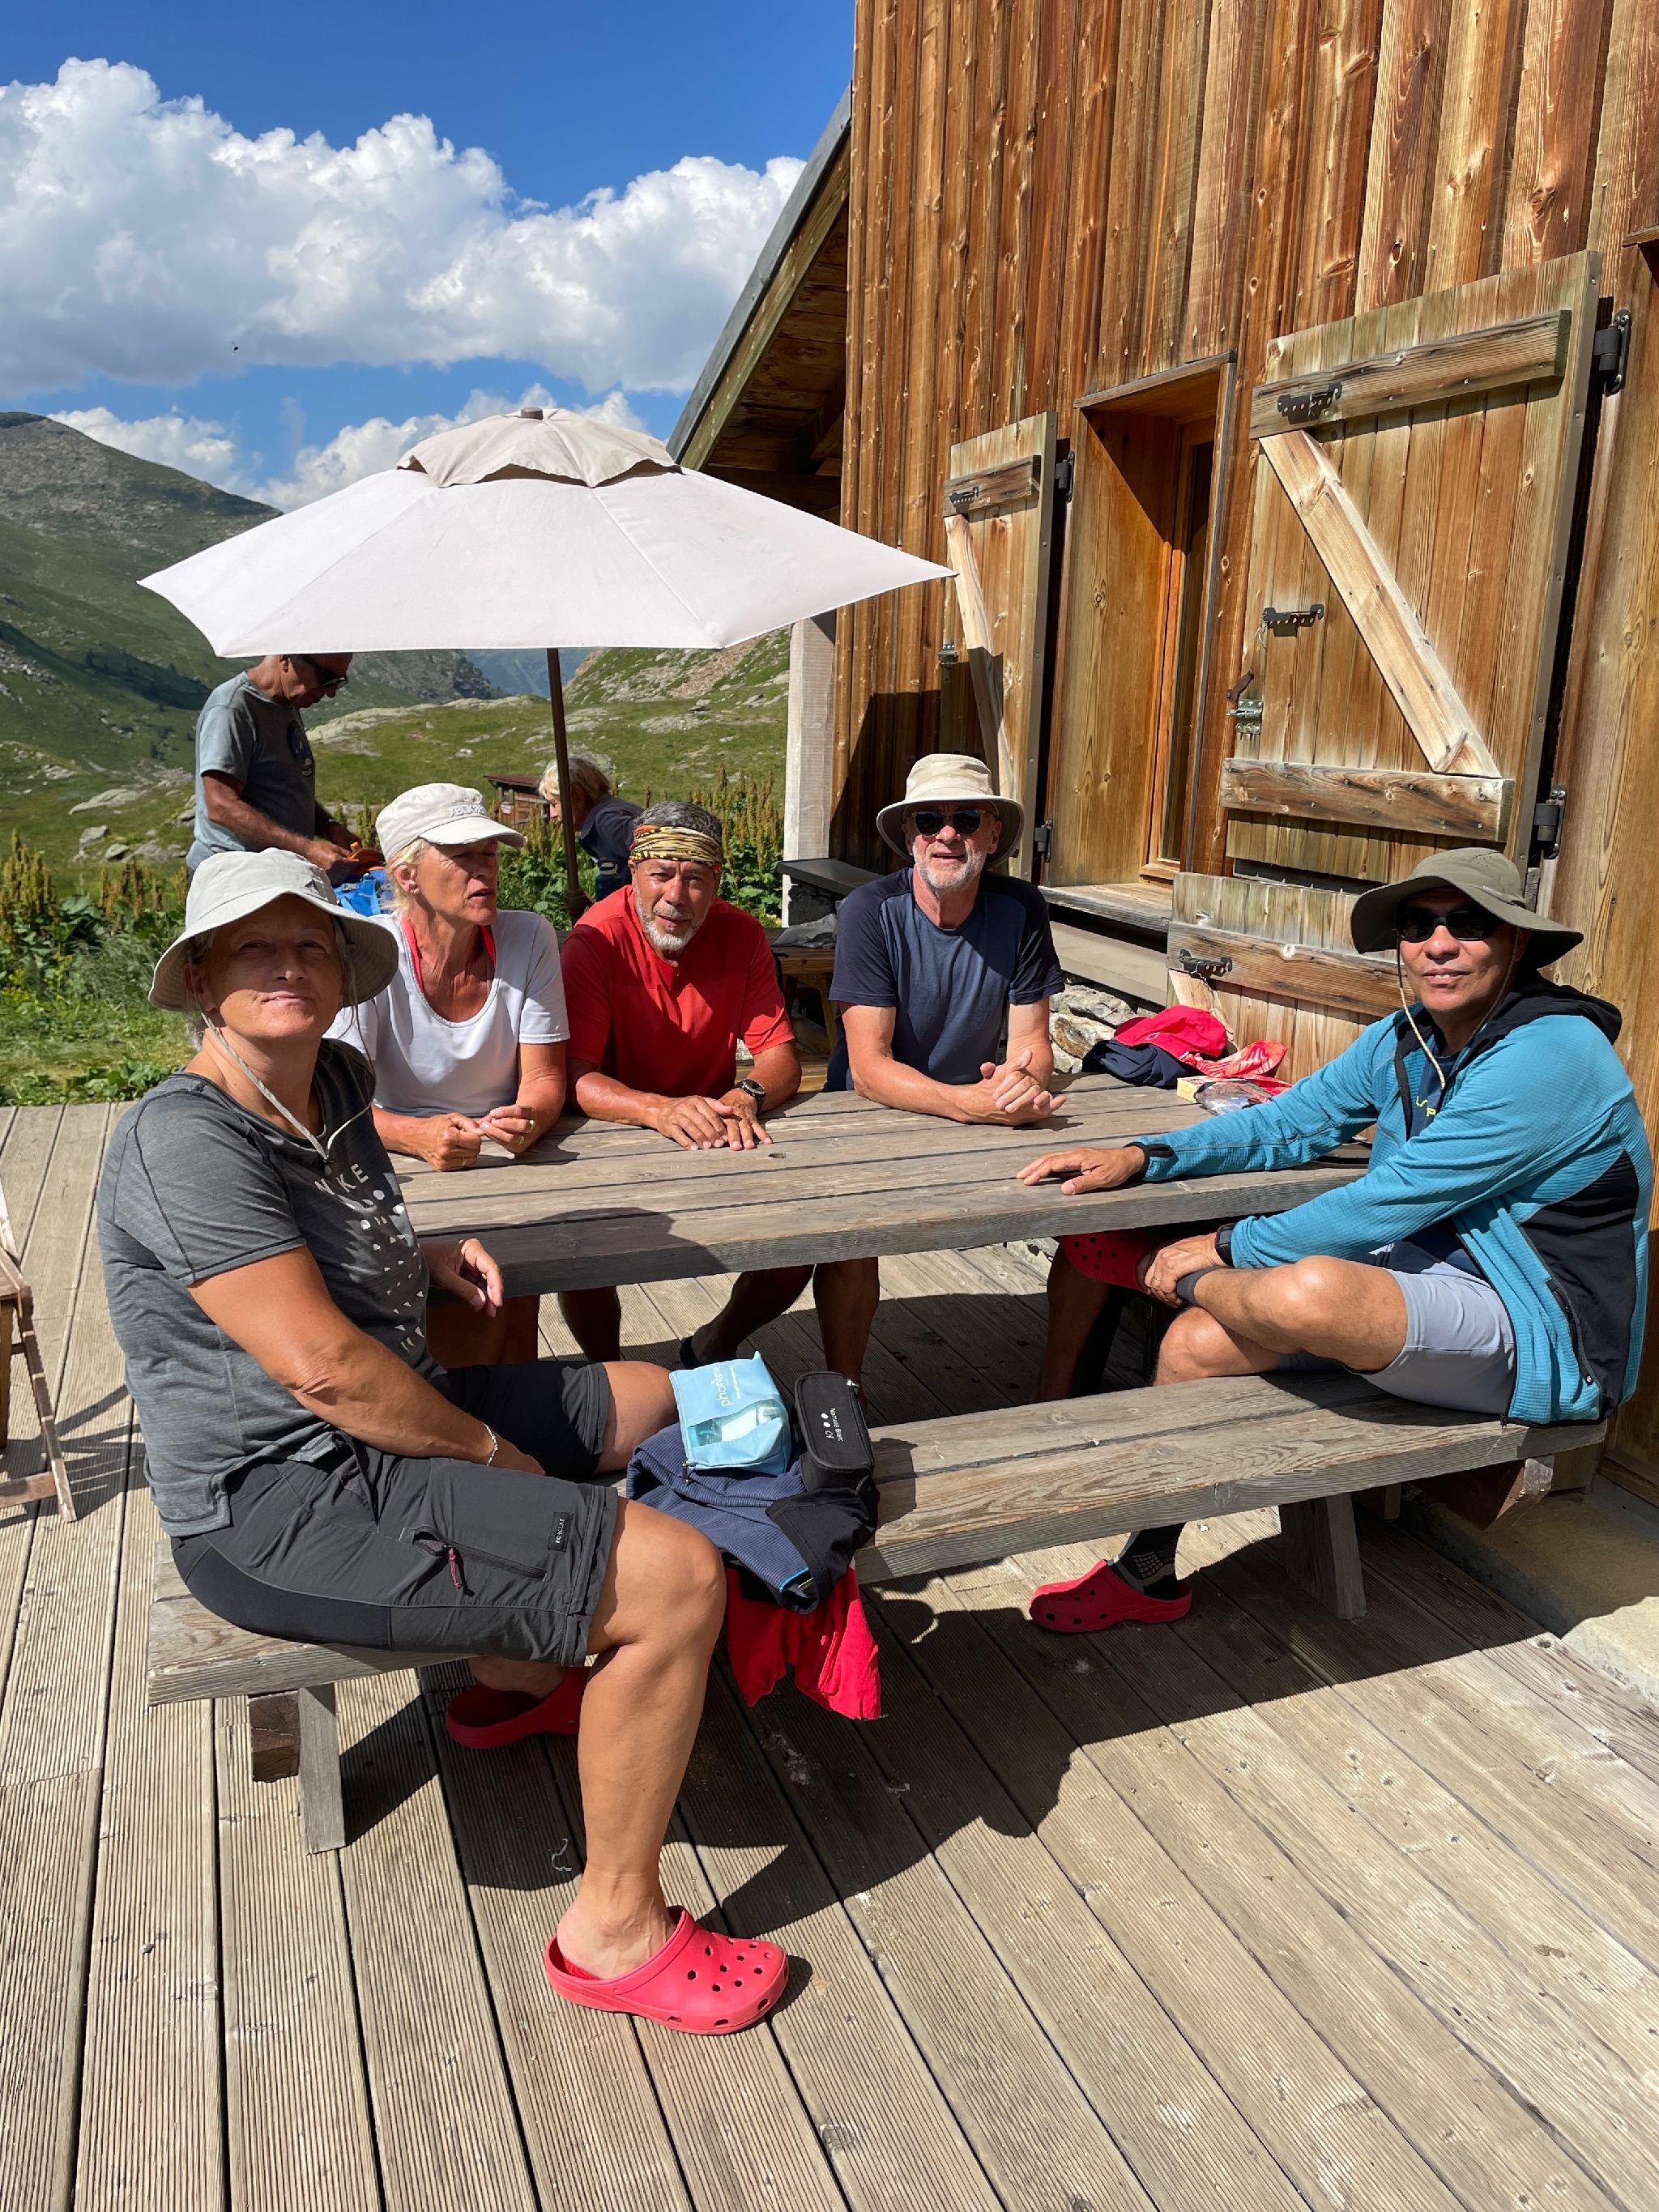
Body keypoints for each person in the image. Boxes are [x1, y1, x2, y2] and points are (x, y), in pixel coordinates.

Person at [97, 849, 788, 2034]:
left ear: (342, 970)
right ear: (201, 978)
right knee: (674, 1576)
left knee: (666, 1392)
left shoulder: (337, 1078)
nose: (287, 964)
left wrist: (419, 1259)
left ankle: (522, 1676)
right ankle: (612, 1929)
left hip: (387, 1416)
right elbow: (322, 1366)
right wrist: (485, 1453)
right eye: (253, 946)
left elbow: (321, 1259)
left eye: (310, 942)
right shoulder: (186, 1139)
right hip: (282, 1495)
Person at [1018, 849, 1652, 1632]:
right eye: (1418, 925)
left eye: (1468, 923)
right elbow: (1291, 1122)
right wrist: (1147, 1155)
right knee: (1194, 1345)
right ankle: (1148, 1569)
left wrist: (1218, 1248)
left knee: (1309, 1288)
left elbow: (1387, 1202)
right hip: (1410, 1289)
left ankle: (1157, 1270)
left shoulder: (1553, 1054)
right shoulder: (1409, 1038)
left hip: (1538, 1332)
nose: (1439, 945)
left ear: (1517, 942)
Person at [812, 753, 1065, 1385]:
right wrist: (973, 1103)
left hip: (974, 1113)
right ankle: (845, 1389)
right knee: (842, 1241)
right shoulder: (870, 909)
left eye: (967, 819)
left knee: (1090, 1206)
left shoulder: (1021, 906)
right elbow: (868, 1069)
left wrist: (1022, 1082)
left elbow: (1033, 1043)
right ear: (909, 836)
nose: (947, 834)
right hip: (870, 1114)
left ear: (994, 834)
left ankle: (1061, 1392)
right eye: (930, 819)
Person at [557, 800, 814, 1368]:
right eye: (661, 874)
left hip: (714, 1134)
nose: (676, 895)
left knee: (807, 1237)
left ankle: (716, 1341)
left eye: (695, 878)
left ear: (716, 882)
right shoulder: (595, 938)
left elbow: (780, 1059)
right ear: (633, 871)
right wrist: (659, 1110)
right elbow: (574, 1078)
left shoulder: (741, 932)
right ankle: (609, 1370)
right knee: (581, 1252)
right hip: (610, 1135)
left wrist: (747, 1096)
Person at [330, 782, 569, 1367]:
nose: (484, 869)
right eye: (462, 856)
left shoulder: (529, 936)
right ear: (407, 876)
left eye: (489, 853)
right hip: (397, 1165)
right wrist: (414, 1134)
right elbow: (337, 1104)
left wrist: (530, 1117)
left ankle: (516, 1397)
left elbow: (545, 1078)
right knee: (453, 1316)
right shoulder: (370, 952)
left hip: (508, 1161)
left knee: (522, 1287)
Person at [189, 652, 360, 875]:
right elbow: (221, 806)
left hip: (273, 870)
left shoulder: (287, 702)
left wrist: (329, 826)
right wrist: (306, 849)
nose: (331, 692)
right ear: (287, 659)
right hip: (236, 874)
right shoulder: (232, 708)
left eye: (339, 681)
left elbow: (285, 788)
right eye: (327, 678)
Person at [540, 752, 642, 901]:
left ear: (578, 797)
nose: (552, 814)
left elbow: (657, 855)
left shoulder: (608, 822)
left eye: (554, 804)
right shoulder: (611, 814)